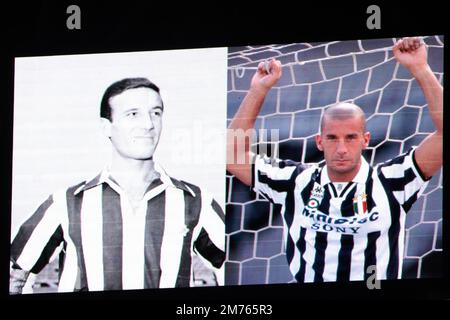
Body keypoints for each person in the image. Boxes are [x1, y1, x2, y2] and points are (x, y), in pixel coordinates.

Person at [226, 37, 442, 282]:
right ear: (319, 141)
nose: (341, 148)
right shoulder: (294, 181)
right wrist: (258, 90)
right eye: (332, 138)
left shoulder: (393, 180)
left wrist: (421, 69)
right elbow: (232, 155)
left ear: (366, 140)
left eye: (350, 137)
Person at [10, 77, 225, 293]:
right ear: (107, 127)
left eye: (155, 113)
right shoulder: (66, 204)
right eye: (133, 114)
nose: (148, 124)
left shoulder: (196, 201)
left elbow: (237, 266)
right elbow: (15, 274)